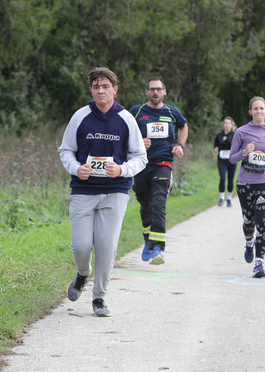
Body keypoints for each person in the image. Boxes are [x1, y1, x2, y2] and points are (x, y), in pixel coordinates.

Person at [58, 67, 147, 317]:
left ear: (114, 89)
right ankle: (83, 273)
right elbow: (66, 150)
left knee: (106, 247)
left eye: (105, 86)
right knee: (81, 246)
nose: (101, 91)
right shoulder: (80, 116)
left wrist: (122, 170)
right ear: (91, 90)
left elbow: (140, 157)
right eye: (96, 86)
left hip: (115, 191)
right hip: (83, 190)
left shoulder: (126, 119)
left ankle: (99, 298)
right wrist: (76, 168)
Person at [130, 77, 188, 265]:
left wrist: (180, 145)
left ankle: (157, 248)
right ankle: (148, 241)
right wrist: (138, 142)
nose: (155, 92)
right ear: (147, 92)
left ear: (164, 92)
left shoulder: (172, 112)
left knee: (158, 203)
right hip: (141, 164)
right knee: (146, 205)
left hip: (163, 164)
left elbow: (183, 125)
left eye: (159, 89)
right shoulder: (136, 111)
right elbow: (125, 132)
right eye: (152, 89)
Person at [229, 96, 265, 278]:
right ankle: (249, 242)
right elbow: (232, 158)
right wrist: (244, 152)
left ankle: (259, 263)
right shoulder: (241, 132)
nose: (259, 111)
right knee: (248, 222)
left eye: (262, 108)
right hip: (245, 183)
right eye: (255, 108)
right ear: (250, 112)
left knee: (261, 221)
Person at [214, 116, 237, 207]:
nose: (227, 125)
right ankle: (221, 198)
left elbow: (236, 145)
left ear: (232, 125)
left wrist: (227, 140)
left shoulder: (234, 135)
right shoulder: (219, 135)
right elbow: (216, 144)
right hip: (221, 160)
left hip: (232, 161)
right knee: (222, 178)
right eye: (225, 123)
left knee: (230, 179)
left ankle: (229, 198)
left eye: (229, 123)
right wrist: (216, 148)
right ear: (223, 124)